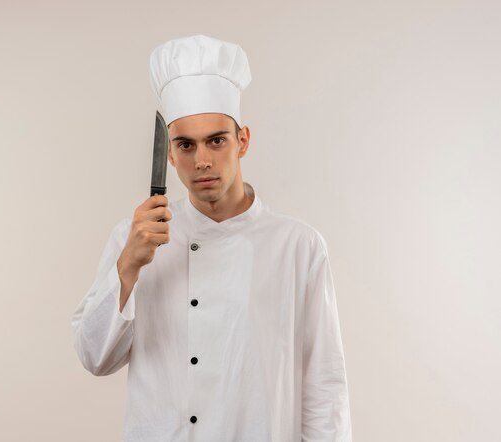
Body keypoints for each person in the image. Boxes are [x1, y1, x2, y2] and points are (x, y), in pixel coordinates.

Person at [71, 34, 352, 441]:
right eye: (185, 144)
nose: (201, 160)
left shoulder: (298, 246)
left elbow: (325, 385)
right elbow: (95, 358)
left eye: (216, 141)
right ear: (169, 154)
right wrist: (128, 265)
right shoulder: (135, 237)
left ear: (242, 141)